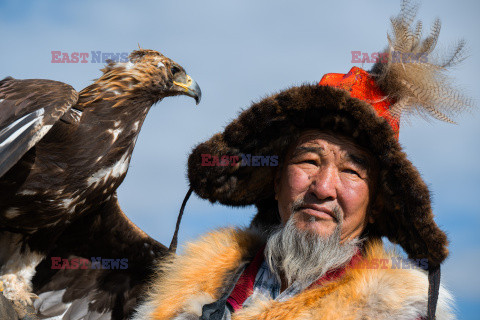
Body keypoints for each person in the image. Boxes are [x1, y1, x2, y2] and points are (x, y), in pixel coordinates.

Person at [132, 3, 472, 320]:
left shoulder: (400, 311)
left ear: (377, 205)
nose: (323, 188)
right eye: (309, 160)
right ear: (277, 181)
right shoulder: (186, 291)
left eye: (352, 170)